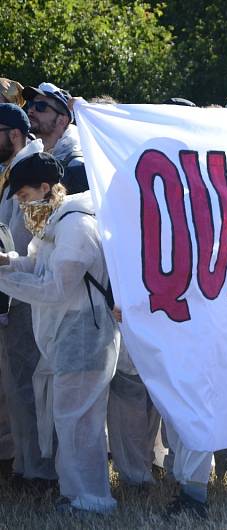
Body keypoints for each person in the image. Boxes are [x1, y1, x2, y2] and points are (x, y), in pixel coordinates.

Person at [0, 152, 119, 514]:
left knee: (79, 421)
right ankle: (76, 493)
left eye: (23, 196)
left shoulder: (74, 227)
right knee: (70, 419)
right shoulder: (55, 225)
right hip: (70, 335)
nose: (22, 205)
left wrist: (5, 280)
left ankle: (92, 498)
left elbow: (55, 289)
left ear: (45, 188)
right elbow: (37, 264)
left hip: (84, 335)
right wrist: (7, 263)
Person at [0, 104, 58, 489]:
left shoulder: (34, 170)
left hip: (25, 296)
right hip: (13, 288)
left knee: (29, 387)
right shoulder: (14, 169)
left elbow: (31, 242)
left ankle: (38, 471)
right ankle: (24, 463)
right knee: (17, 386)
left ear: (14, 134)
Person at [21, 83, 88, 194]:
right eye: (30, 104)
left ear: (62, 121)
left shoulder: (77, 164)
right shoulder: (21, 154)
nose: (30, 110)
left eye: (40, 106)